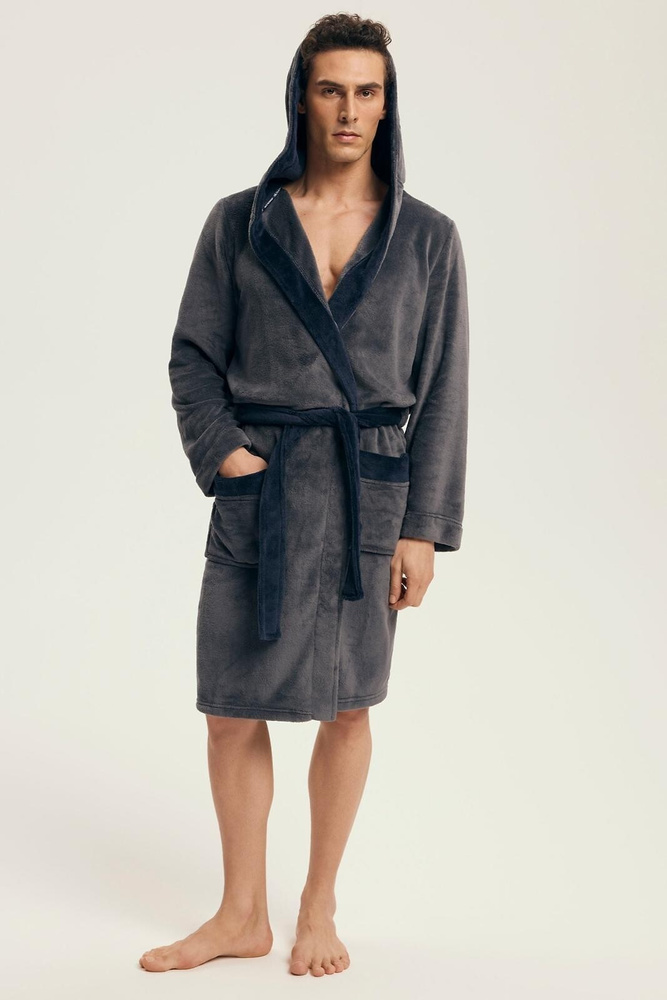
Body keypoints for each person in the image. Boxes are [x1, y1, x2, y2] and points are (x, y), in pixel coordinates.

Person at [140, 11, 469, 978]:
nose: (349, 111)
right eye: (332, 90)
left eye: (367, 92)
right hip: (266, 489)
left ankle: (317, 905)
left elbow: (444, 386)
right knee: (229, 708)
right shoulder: (239, 223)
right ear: (301, 98)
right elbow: (192, 358)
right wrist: (226, 456)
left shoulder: (426, 239)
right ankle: (241, 913)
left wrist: (423, 528)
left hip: (368, 492)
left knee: (348, 706)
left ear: (387, 104)